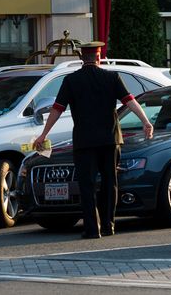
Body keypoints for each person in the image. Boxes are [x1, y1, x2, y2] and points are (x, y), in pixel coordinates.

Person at [32, 41, 154, 239]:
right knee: (110, 182)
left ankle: (92, 228)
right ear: (98, 57)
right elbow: (129, 100)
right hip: (110, 139)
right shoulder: (112, 77)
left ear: (82, 59)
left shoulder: (71, 80)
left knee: (87, 185)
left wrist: (44, 134)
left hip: (84, 141)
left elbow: (57, 108)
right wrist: (146, 121)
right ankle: (108, 226)